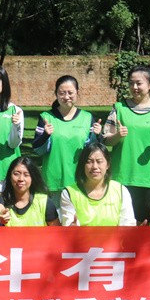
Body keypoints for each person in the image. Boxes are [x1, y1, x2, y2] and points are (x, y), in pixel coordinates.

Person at [102, 64, 150, 224]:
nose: (134, 87)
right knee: (123, 224)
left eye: (139, 83)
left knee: (146, 225)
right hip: (123, 176)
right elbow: (106, 139)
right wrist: (117, 135)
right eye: (131, 83)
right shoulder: (119, 108)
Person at [32, 75, 100, 206]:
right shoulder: (46, 118)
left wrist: (97, 136)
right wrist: (45, 135)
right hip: (53, 182)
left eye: (70, 92)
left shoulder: (87, 118)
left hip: (80, 181)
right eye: (62, 93)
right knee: (53, 219)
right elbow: (37, 150)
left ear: (77, 93)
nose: (66, 96)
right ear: (56, 94)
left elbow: (93, 151)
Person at [59, 142, 136, 226]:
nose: (95, 166)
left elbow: (127, 225)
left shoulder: (120, 190)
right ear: (83, 165)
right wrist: (71, 228)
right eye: (89, 161)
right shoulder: (69, 193)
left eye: (99, 161)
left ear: (108, 165)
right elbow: (69, 225)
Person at [0, 156, 60, 226]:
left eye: (26, 175)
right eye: (16, 174)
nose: (21, 179)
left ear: (33, 178)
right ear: (10, 176)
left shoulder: (44, 202)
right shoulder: (1, 199)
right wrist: (1, 214)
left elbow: (57, 231)